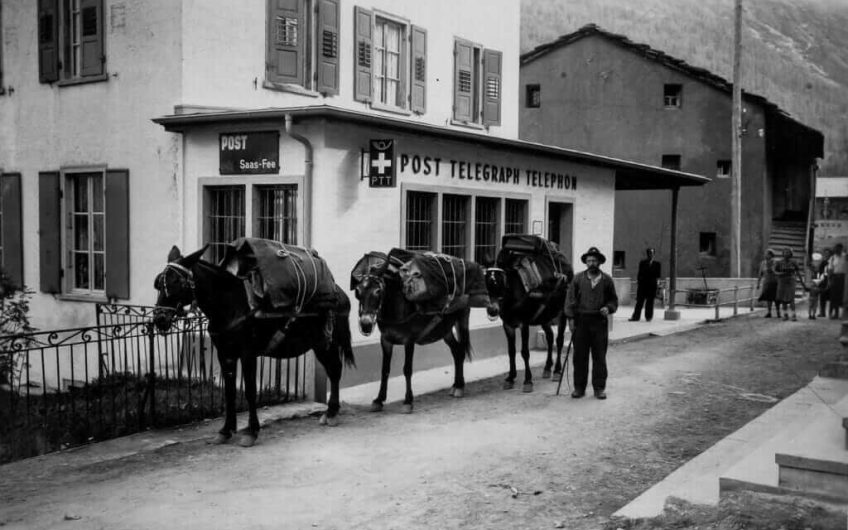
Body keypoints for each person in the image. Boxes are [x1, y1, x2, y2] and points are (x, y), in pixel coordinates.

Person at [564, 247, 619, 400]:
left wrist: (608, 308)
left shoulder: (607, 280)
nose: (592, 263)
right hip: (581, 322)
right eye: (589, 261)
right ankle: (579, 388)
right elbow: (570, 300)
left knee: (599, 356)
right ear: (586, 262)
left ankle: (599, 388)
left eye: (594, 260)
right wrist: (571, 319)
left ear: (600, 262)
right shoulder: (578, 279)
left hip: (599, 322)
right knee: (580, 356)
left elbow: (613, 300)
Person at [629, 247, 661, 322]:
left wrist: (658, 285)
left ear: (654, 254)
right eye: (650, 253)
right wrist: (639, 283)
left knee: (650, 302)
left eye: (652, 253)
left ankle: (648, 317)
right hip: (643, 286)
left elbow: (658, 276)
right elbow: (639, 274)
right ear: (647, 254)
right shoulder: (642, 263)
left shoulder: (657, 264)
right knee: (639, 302)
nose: (651, 255)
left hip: (652, 286)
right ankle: (636, 317)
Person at [774, 247, 805, 322]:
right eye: (785, 252)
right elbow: (775, 271)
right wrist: (780, 273)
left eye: (788, 252)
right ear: (783, 253)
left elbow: (798, 273)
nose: (786, 254)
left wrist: (802, 283)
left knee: (791, 298)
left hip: (791, 281)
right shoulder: (779, 262)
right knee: (783, 299)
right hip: (782, 281)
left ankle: (793, 315)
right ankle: (785, 314)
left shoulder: (794, 262)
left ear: (791, 253)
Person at [756, 249, 779, 318]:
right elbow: (760, 273)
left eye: (767, 254)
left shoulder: (776, 262)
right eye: (765, 254)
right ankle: (769, 312)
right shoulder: (763, 263)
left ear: (771, 255)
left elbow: (778, 271)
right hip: (767, 282)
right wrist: (758, 283)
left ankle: (778, 312)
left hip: (775, 281)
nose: (765, 255)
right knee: (768, 298)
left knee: (776, 298)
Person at [827, 243, 845, 319]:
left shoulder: (845, 257)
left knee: (841, 296)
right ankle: (832, 313)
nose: (836, 250)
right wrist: (829, 280)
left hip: (843, 278)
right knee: (833, 296)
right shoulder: (832, 258)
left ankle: (840, 314)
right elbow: (830, 269)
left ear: (841, 249)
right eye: (835, 249)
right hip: (835, 277)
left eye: (838, 249)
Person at [817, 248, 831, 317]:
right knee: (822, 297)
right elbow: (820, 271)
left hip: (830, 280)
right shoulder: (823, 262)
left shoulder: (831, 262)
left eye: (828, 253)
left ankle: (831, 313)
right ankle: (822, 312)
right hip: (823, 280)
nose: (826, 255)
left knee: (831, 297)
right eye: (825, 253)